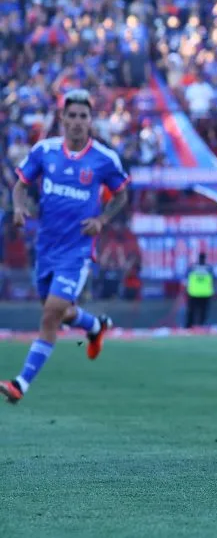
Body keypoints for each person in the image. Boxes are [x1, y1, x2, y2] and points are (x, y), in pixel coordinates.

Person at [1, 90, 130, 405]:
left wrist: (102, 219)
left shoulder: (104, 159)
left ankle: (20, 383)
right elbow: (20, 186)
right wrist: (18, 209)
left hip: (77, 250)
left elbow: (122, 195)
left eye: (82, 116)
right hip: (45, 247)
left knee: (51, 315)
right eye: (71, 116)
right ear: (62, 119)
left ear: (90, 121)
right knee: (60, 311)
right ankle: (95, 325)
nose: (76, 122)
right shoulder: (44, 151)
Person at [185, 252, 215, 328]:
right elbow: (212, 281)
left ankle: (190, 327)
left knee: (192, 312)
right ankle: (201, 326)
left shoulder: (192, 268)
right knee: (202, 312)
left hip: (194, 293)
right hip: (205, 293)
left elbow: (186, 280)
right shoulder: (209, 268)